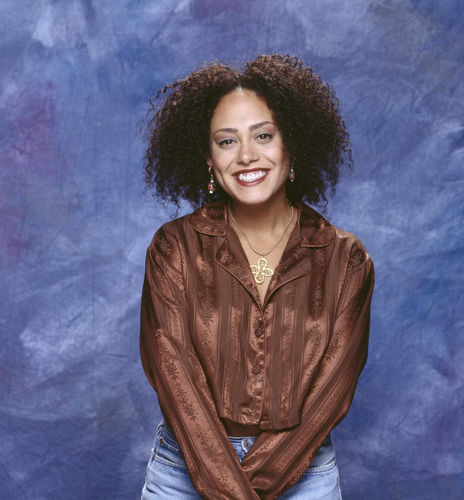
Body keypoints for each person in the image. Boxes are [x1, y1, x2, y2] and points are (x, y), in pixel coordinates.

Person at [139, 54, 374, 499]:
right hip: (183, 473)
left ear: (292, 145)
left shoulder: (346, 260)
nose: (247, 155)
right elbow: (175, 379)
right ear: (209, 159)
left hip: (304, 475)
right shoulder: (174, 249)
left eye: (263, 135)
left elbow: (330, 395)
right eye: (227, 141)